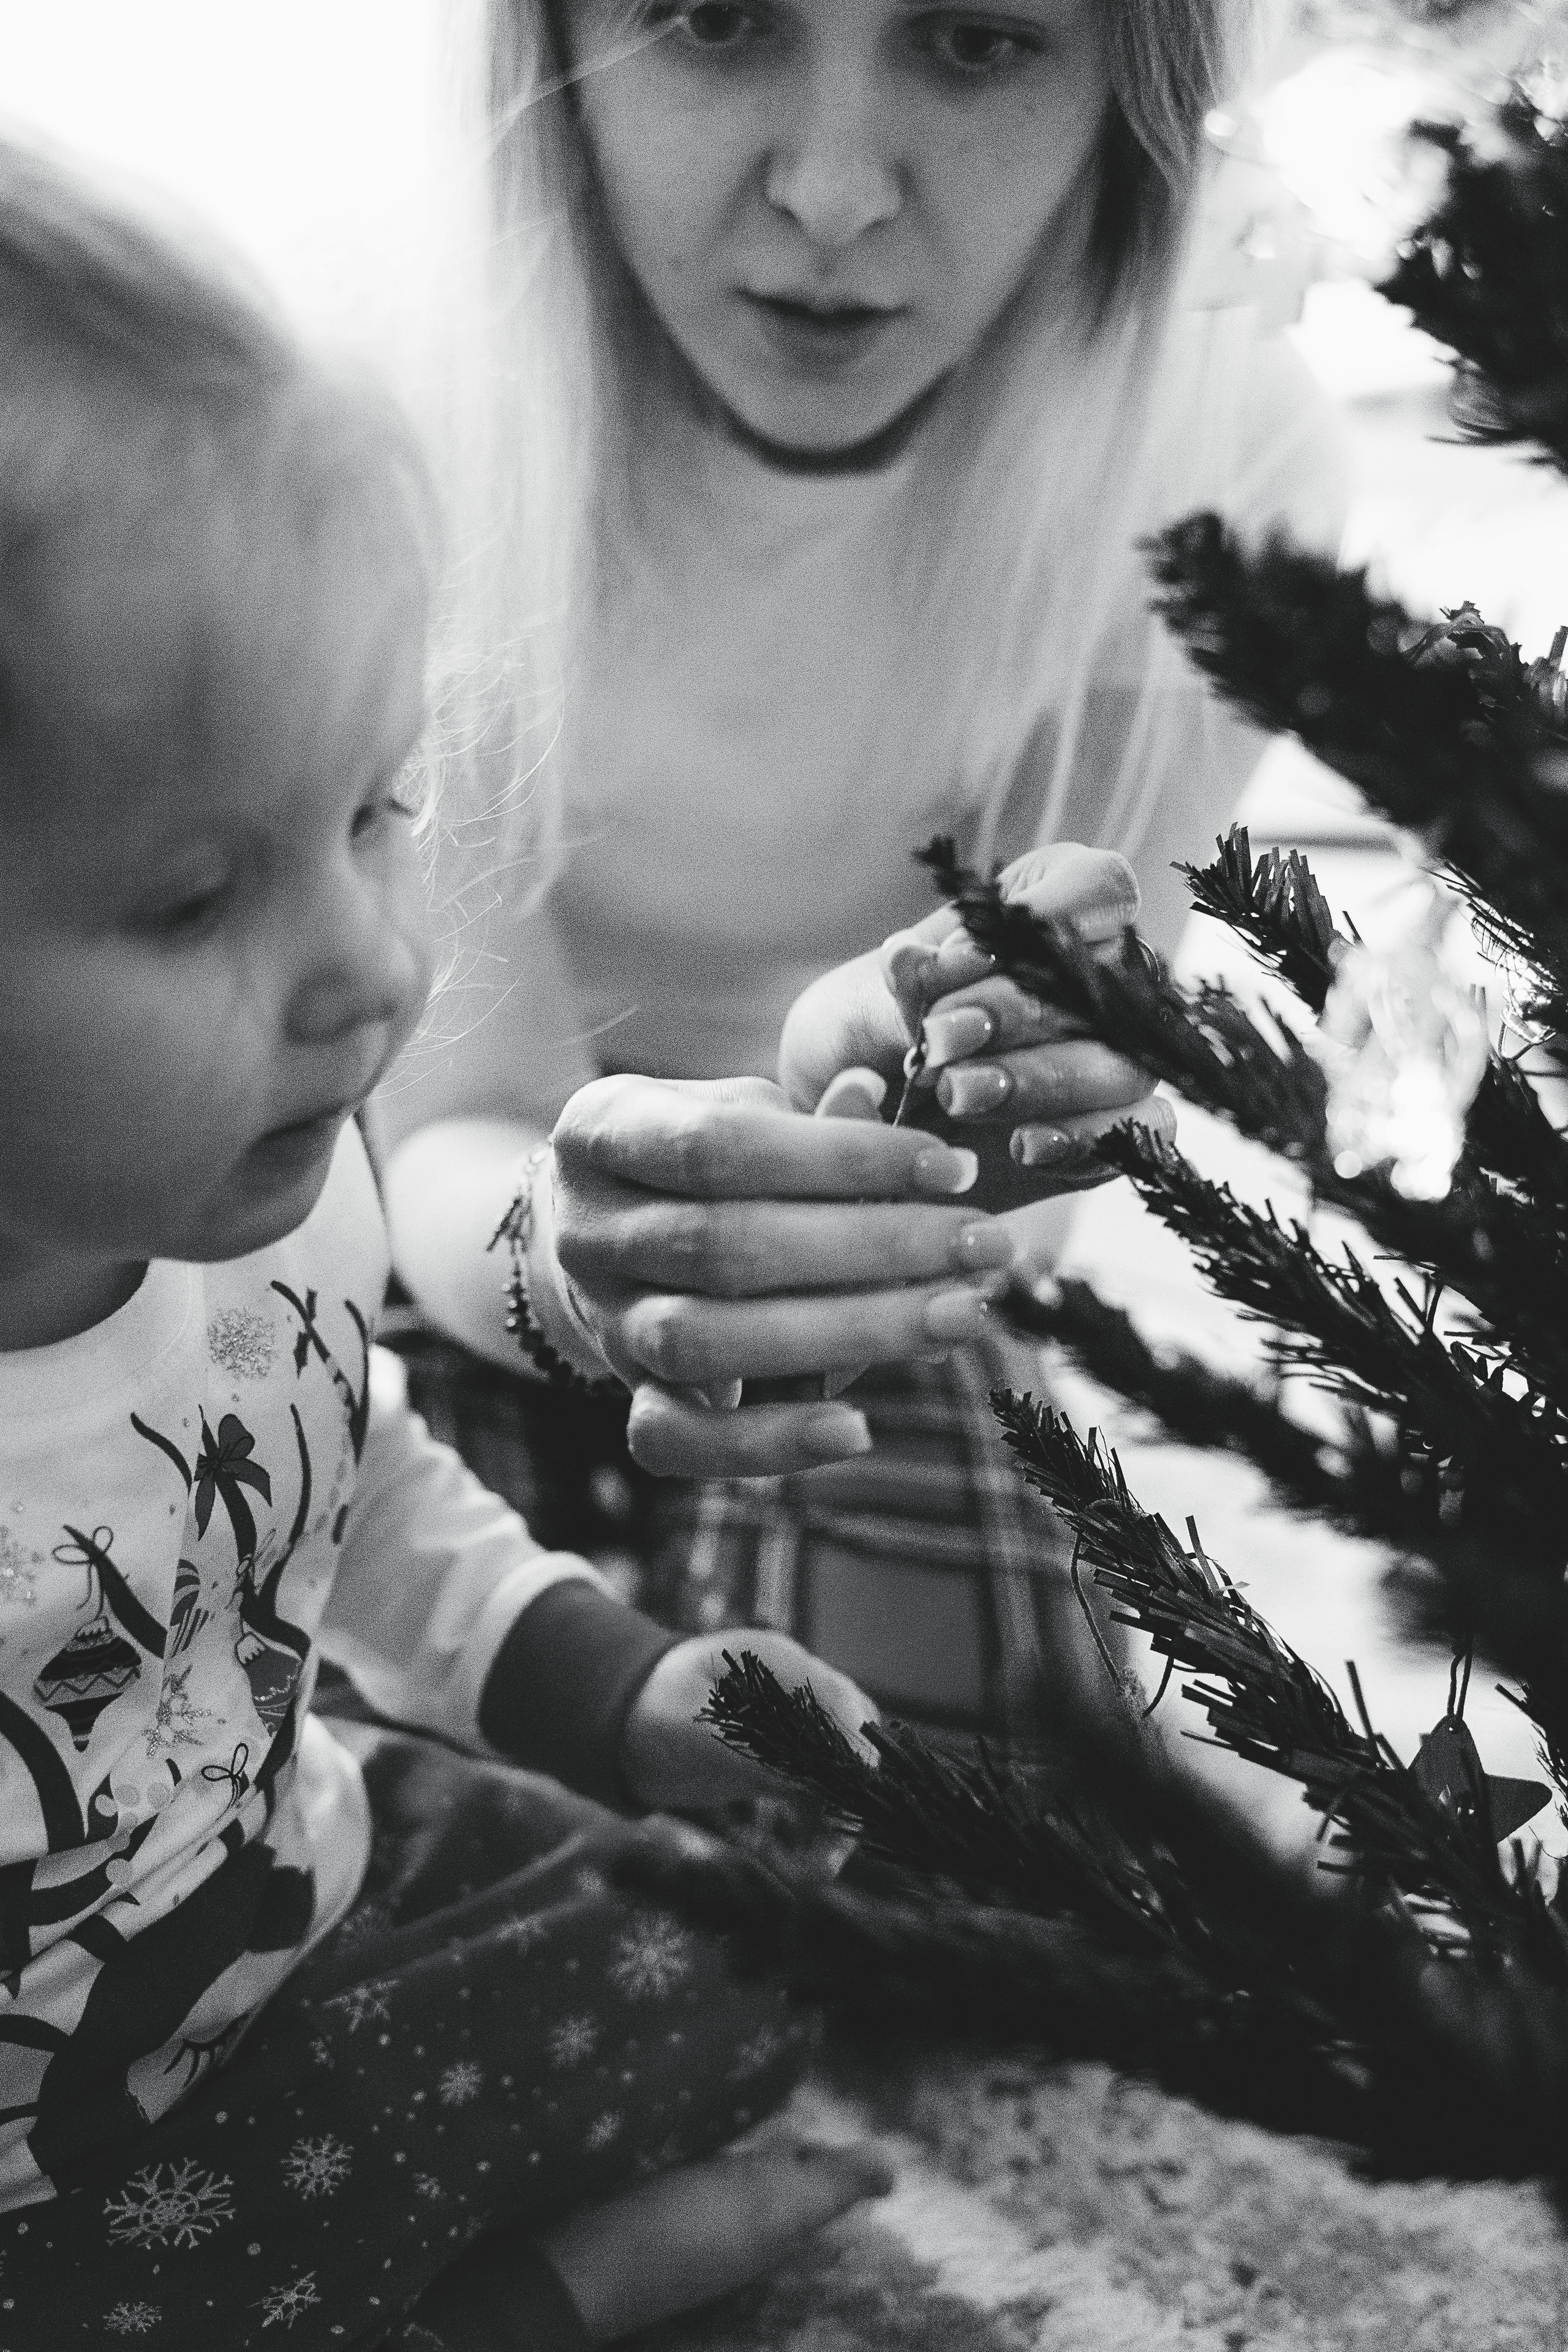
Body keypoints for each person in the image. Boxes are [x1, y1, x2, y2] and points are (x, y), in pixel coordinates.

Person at [0, 132, 903, 2352]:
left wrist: (611, 1687)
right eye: (201, 897)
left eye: (373, 814)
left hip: (304, 1868)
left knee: (766, 1943)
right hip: (50, 2191)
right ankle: (521, 2306)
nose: (373, 971)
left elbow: (362, 1471)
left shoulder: (253, 1216)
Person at [378, 0, 1351, 1736]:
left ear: (1135, 84)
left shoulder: (1225, 467)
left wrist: (922, 1128)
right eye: (714, 22)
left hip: (888, 1280)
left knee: (958, 1855)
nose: (833, 192)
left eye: (975, 44)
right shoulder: (386, 411)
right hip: (429, 1233)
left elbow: (1034, 1165)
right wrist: (587, 1262)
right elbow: (443, 1130)